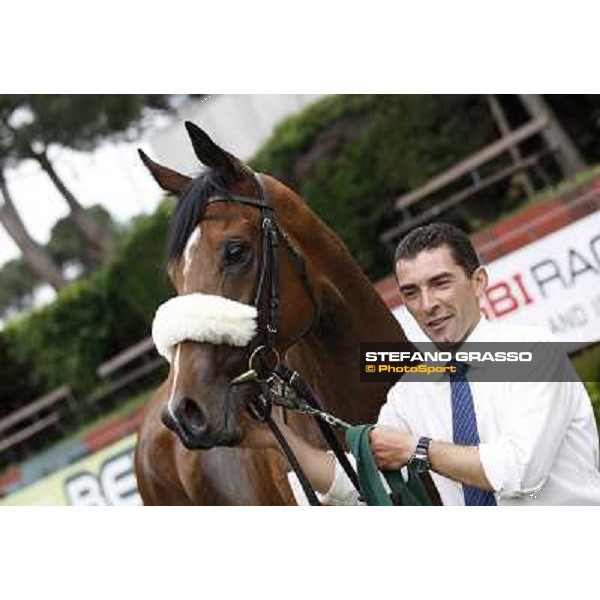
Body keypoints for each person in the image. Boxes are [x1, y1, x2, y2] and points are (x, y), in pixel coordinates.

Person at [272, 223, 600, 505]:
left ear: (479, 282)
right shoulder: (409, 391)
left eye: (441, 283)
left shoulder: (534, 351)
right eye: (411, 293)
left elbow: (520, 472)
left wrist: (418, 449)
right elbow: (364, 483)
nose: (427, 305)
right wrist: (274, 436)